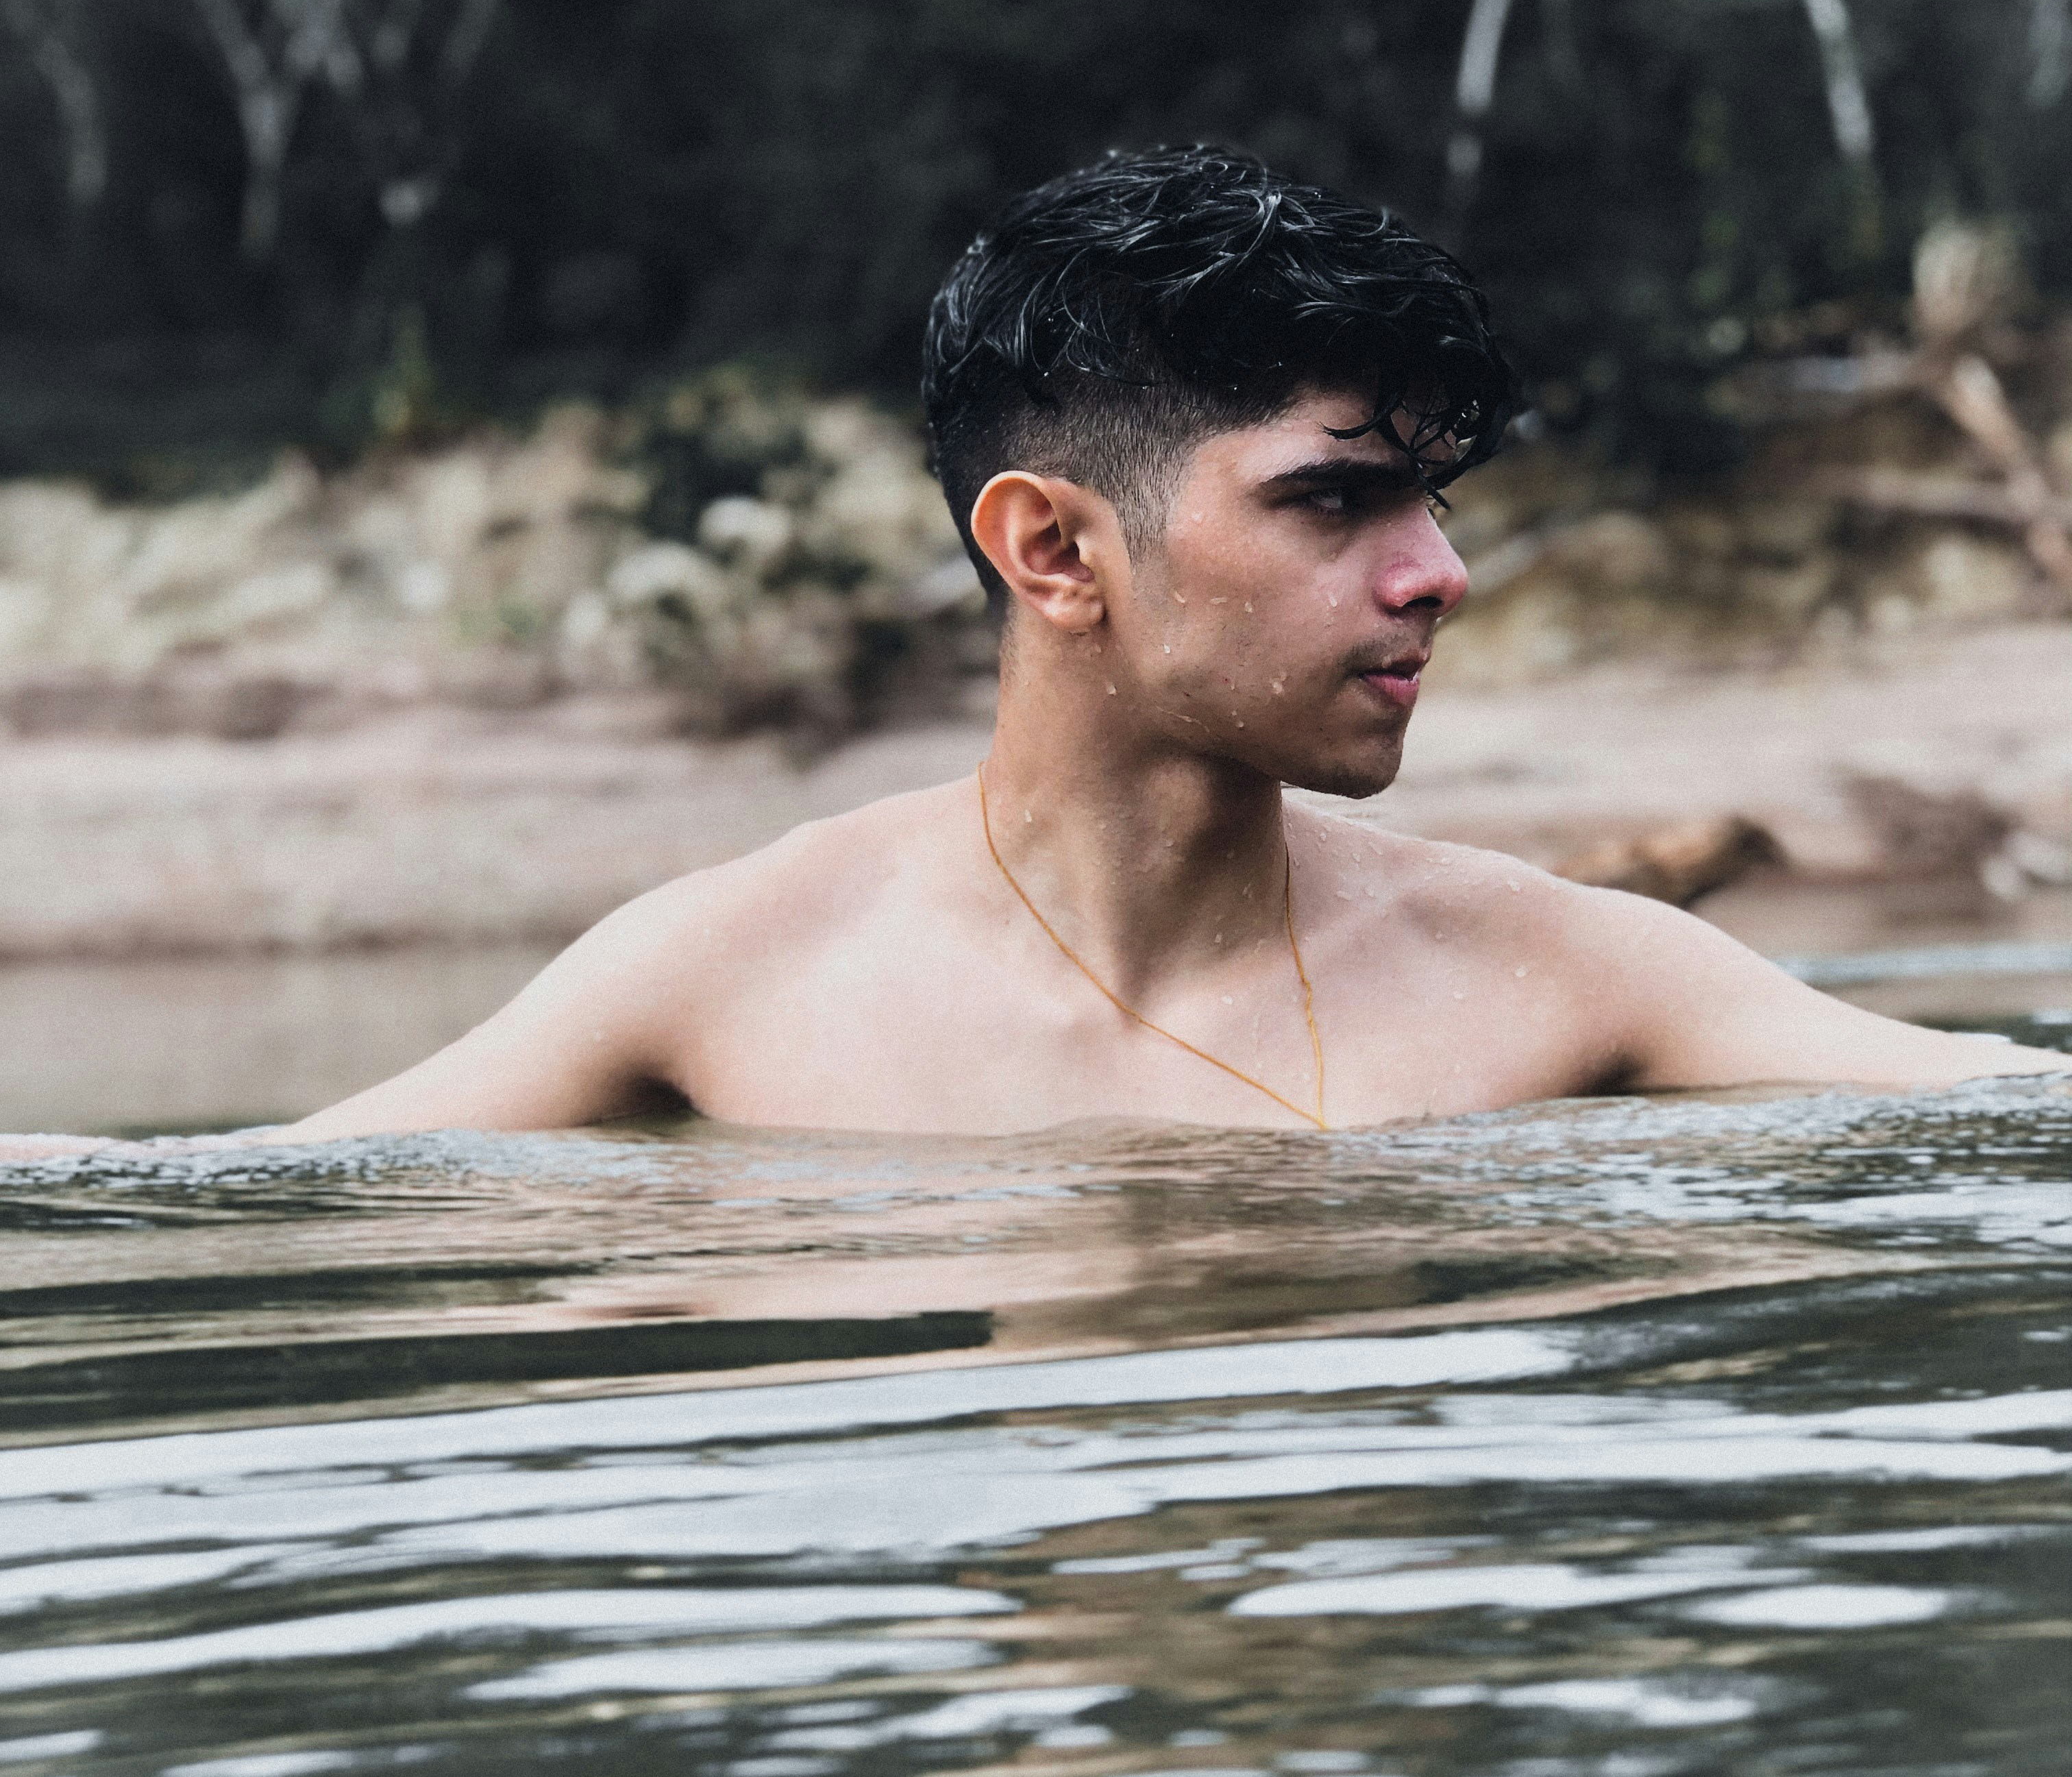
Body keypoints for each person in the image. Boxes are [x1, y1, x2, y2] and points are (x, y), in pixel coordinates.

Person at [150, 149, 2072, 1138]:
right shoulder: (719, 986)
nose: (1440, 578)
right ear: (1052, 551)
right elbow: (221, 1220)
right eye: (1337, 503)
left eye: (1438, 503)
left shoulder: (1582, 979)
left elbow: (2003, 1124)